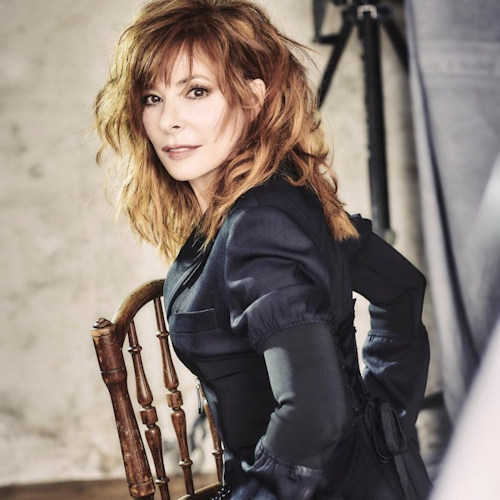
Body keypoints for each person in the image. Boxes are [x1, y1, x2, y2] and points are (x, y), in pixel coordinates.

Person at [94, 1, 432, 498]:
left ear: (253, 97)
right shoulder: (286, 189)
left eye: (196, 91)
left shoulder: (260, 223)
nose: (169, 121)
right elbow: (402, 288)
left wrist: (385, 416)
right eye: (152, 97)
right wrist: (385, 425)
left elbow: (314, 416)